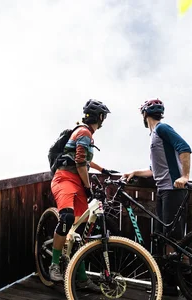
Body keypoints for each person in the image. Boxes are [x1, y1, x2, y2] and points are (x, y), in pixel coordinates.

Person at [121, 98, 191, 295]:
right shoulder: (155, 135)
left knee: (174, 239)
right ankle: (168, 285)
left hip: (173, 190)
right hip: (163, 190)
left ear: (144, 115)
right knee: (163, 236)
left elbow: (185, 147)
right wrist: (134, 172)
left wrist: (185, 176)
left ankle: (184, 283)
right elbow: (154, 170)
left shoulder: (162, 129)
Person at [48, 99, 116, 291]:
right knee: (67, 218)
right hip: (65, 179)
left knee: (79, 234)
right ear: (100, 117)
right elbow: (79, 163)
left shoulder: (84, 132)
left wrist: (102, 169)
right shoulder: (85, 132)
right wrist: (88, 188)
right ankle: (54, 264)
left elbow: (84, 159)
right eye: (104, 117)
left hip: (75, 181)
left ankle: (82, 278)